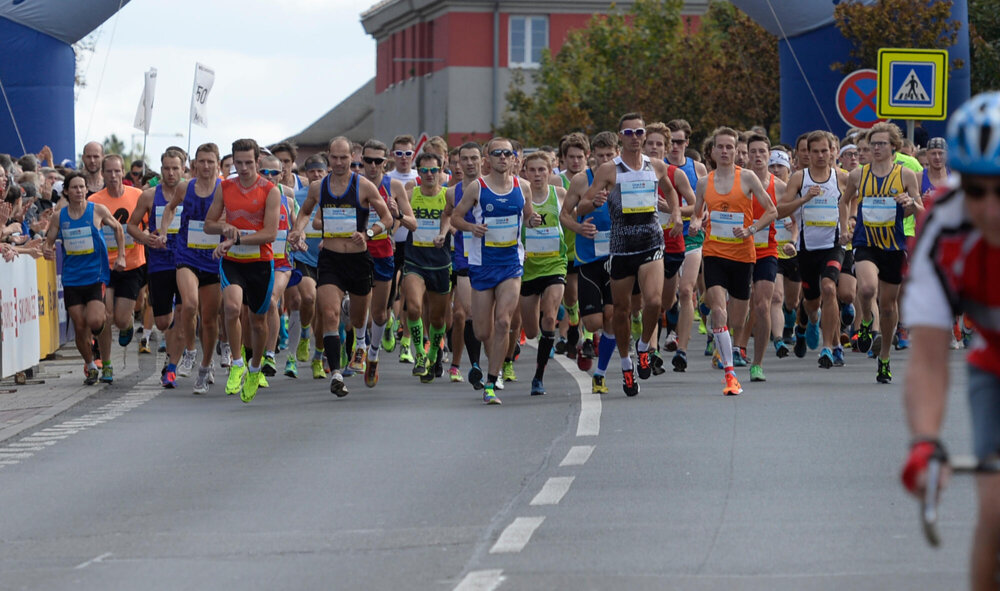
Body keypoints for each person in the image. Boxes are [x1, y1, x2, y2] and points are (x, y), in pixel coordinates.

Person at [901, 91, 1000, 591]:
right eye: (976, 190)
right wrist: (925, 442)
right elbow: (928, 358)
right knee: (997, 510)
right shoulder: (944, 228)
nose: (990, 206)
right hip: (995, 366)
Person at [579, 113, 682, 396]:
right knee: (621, 312)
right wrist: (593, 202)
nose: (635, 137)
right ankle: (626, 365)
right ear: (620, 135)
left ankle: (644, 346)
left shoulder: (657, 166)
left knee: (653, 301)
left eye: (639, 132)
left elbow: (671, 193)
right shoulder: (608, 170)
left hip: (651, 243)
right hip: (622, 248)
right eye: (629, 132)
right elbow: (583, 205)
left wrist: (675, 213)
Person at [289, 137, 392, 397]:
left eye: (343, 158)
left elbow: (387, 218)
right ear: (328, 158)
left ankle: (362, 345)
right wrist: (298, 231)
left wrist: (368, 233)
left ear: (351, 158)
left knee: (359, 318)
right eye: (333, 158)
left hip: (358, 260)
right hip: (331, 259)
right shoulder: (318, 187)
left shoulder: (364, 186)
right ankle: (335, 373)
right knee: (330, 314)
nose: (338, 162)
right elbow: (304, 212)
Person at [450, 137, 539, 405]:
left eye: (507, 153)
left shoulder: (523, 187)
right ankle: (490, 363)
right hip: (481, 264)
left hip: (511, 264)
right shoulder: (477, 187)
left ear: (514, 159)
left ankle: (491, 381)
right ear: (488, 159)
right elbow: (455, 217)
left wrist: (533, 220)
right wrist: (471, 228)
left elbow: (529, 216)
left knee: (504, 321)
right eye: (497, 153)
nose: (503, 157)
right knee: (481, 331)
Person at [689, 127, 776, 396]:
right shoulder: (705, 182)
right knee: (718, 310)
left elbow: (771, 210)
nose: (725, 151)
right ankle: (729, 373)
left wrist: (750, 230)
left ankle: (725, 343)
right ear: (712, 151)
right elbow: (697, 214)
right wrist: (694, 224)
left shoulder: (748, 178)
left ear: (736, 151)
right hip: (714, 252)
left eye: (730, 147)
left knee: (738, 320)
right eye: (720, 147)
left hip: (743, 255)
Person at [840, 122, 923, 384]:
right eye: (872, 144)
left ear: (893, 147)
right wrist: (845, 227)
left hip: (894, 246)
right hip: (866, 243)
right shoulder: (858, 175)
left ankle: (885, 358)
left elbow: (919, 210)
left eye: (881, 144)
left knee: (888, 308)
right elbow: (844, 200)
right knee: (866, 289)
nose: (876, 148)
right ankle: (865, 323)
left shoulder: (906, 175)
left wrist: (909, 203)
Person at [204, 138, 281, 403]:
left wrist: (236, 239)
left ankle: (255, 367)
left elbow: (270, 233)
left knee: (258, 322)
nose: (244, 168)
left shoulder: (270, 190)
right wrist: (224, 228)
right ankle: (237, 363)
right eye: (239, 163)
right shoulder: (225, 187)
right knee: (232, 308)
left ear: (258, 161)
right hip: (233, 261)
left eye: (249, 162)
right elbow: (208, 224)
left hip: (260, 262)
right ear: (233, 162)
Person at [43, 172, 124, 385]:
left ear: (86, 190)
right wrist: (46, 250)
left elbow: (117, 228)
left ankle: (106, 361)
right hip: (72, 278)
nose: (79, 191)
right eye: (75, 187)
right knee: (80, 325)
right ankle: (90, 365)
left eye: (82, 187)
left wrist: (121, 255)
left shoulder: (97, 210)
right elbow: (49, 241)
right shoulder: (60, 216)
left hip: (95, 275)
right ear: (67, 191)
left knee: (97, 320)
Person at [779, 131, 849, 369]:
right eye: (815, 151)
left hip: (834, 245)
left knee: (830, 288)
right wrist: (804, 199)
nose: (820, 156)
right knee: (812, 303)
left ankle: (828, 347)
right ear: (808, 153)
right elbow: (780, 209)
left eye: (824, 151)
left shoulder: (842, 178)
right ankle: (805, 324)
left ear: (832, 152)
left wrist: (851, 223)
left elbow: (854, 202)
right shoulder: (799, 178)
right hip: (807, 249)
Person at [161, 143, 222, 394]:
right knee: (189, 304)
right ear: (194, 163)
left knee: (209, 320)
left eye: (210, 161)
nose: (205, 166)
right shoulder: (186, 187)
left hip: (214, 258)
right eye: (201, 161)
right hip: (186, 254)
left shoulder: (224, 189)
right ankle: (190, 350)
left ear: (218, 164)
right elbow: (170, 208)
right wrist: (164, 231)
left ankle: (206, 367)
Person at [126, 149, 186, 388]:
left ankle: (171, 366)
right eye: (166, 168)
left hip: (186, 261)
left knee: (183, 313)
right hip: (160, 262)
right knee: (162, 321)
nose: (170, 173)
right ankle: (172, 347)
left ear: (183, 170)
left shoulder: (191, 193)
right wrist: (145, 238)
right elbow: (131, 225)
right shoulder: (150, 196)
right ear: (161, 169)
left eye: (175, 168)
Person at [88, 154, 146, 384]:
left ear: (124, 172)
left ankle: (128, 324)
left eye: (117, 171)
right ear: (102, 173)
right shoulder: (94, 200)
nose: (113, 176)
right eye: (108, 172)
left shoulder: (137, 195)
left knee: (121, 320)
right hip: (105, 266)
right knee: (105, 316)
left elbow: (145, 224)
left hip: (132, 264)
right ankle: (107, 363)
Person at [360, 139, 412, 387]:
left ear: (385, 161)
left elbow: (412, 223)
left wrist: (396, 213)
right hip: (354, 252)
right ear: (361, 160)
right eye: (368, 160)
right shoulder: (353, 184)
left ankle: (373, 355)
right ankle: (358, 347)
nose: (372, 165)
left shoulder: (395, 186)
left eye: (378, 161)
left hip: (383, 253)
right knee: (354, 308)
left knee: (379, 314)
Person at [399, 152, 451, 383]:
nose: (429, 175)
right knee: (414, 307)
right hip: (415, 261)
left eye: (434, 170)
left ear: (441, 171)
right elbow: (399, 218)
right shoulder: (411, 195)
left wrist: (445, 232)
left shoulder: (448, 195)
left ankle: (433, 353)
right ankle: (420, 354)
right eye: (424, 171)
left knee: (438, 320)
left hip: (440, 263)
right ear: (418, 172)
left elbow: (453, 218)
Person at [519, 151, 567, 396]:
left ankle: (538, 377)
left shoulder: (559, 195)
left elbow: (570, 220)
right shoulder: (519, 197)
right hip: (528, 269)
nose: (537, 175)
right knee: (532, 332)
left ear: (550, 172)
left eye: (542, 170)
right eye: (532, 170)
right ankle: (548, 319)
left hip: (554, 264)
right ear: (525, 172)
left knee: (548, 319)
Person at [448, 142, 486, 387]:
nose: (470, 163)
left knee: (491, 316)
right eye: (465, 159)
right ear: (458, 163)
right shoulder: (452, 192)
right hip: (464, 257)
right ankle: (475, 366)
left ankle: (498, 364)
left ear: (482, 160)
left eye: (474, 158)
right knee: (469, 312)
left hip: (494, 256)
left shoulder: (494, 186)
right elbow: (448, 215)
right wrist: (447, 230)